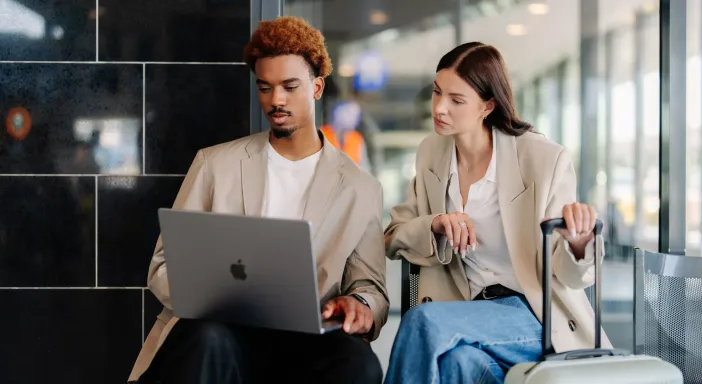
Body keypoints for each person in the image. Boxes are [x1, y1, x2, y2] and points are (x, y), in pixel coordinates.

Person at [128, 16, 388, 384]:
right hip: (224, 333)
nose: (275, 100)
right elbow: (162, 267)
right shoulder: (215, 164)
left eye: (289, 86)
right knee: (207, 338)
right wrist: (214, 297)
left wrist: (359, 306)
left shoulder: (361, 188)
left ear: (316, 88)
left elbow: (370, 287)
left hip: (308, 342)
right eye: (265, 87)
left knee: (358, 363)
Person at [383, 42, 610, 384]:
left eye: (456, 100)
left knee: (423, 320)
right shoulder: (431, 152)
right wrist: (435, 225)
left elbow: (568, 275)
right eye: (436, 93)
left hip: (533, 315)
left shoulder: (543, 160)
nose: (440, 108)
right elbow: (393, 236)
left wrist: (579, 246)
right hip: (468, 310)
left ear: (487, 105)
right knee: (459, 363)